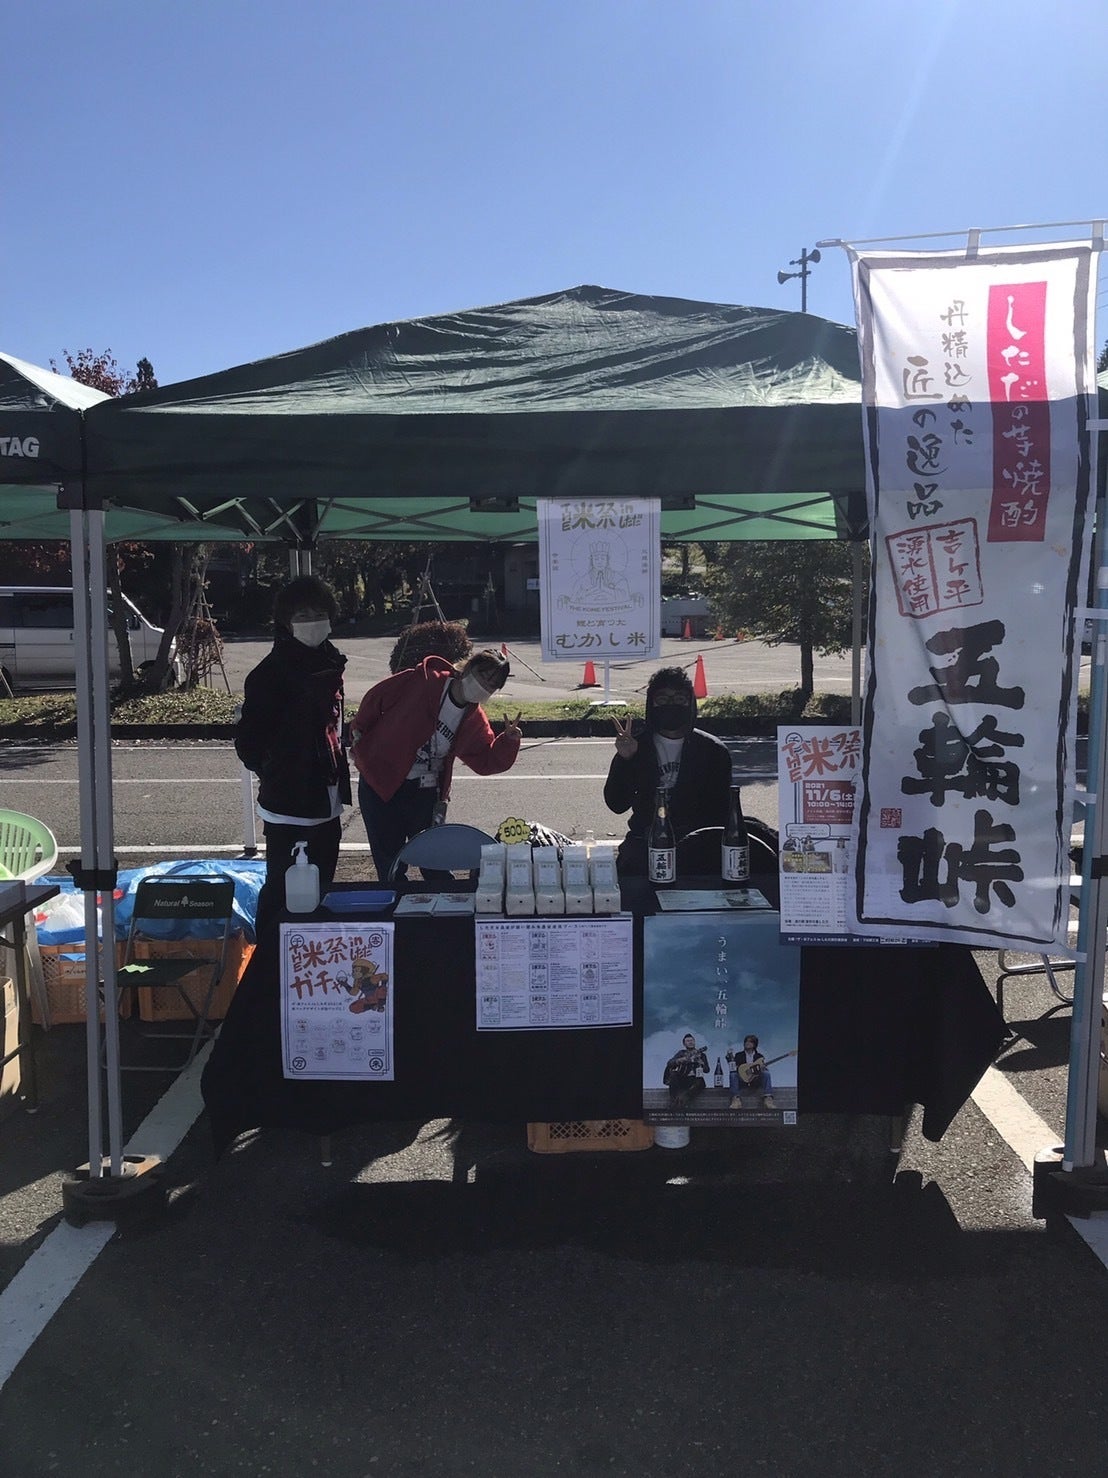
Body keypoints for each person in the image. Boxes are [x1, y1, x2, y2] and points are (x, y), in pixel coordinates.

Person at [235, 576, 351, 938]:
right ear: (286, 621)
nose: (312, 621)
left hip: (327, 800)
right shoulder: (269, 674)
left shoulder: (330, 663)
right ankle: (269, 960)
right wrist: (281, 769)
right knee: (282, 893)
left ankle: (313, 954)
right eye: (302, 615)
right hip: (287, 804)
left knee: (321, 889)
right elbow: (249, 745)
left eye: (319, 613)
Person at [351, 648, 522, 881]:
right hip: (381, 783)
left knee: (436, 860)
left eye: (492, 685)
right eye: (483, 676)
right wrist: (359, 736)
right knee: (390, 863)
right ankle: (396, 901)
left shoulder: (474, 719)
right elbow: (375, 699)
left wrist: (508, 741)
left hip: (425, 792)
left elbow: (486, 760)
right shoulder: (421, 682)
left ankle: (444, 902)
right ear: (468, 668)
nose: (484, 686)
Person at [603, 665, 733, 875]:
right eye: (662, 699)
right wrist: (626, 760)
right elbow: (616, 804)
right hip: (644, 839)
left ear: (690, 703)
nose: (671, 705)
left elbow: (721, 811)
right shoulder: (638, 746)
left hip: (698, 842)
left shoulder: (712, 750)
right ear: (651, 704)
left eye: (679, 699)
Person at [727, 1034, 776, 1110]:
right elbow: (734, 1068)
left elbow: (763, 1069)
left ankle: (768, 1099)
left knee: (766, 1073)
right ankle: (736, 1100)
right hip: (742, 1080)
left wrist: (762, 1069)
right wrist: (730, 1059)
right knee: (733, 1074)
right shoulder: (738, 1055)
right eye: (746, 1041)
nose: (747, 1043)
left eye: (750, 1042)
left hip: (755, 1080)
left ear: (754, 1044)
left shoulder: (759, 1056)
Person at [663, 1033, 709, 1106]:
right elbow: (669, 1063)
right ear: (684, 1044)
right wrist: (681, 1060)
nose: (690, 1042)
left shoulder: (702, 1055)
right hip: (683, 1078)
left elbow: (707, 1070)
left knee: (700, 1082)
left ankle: (684, 1098)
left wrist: (701, 1063)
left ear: (694, 1042)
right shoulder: (681, 1053)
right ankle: (673, 1100)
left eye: (692, 1040)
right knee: (673, 1074)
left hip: (695, 1080)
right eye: (688, 1041)